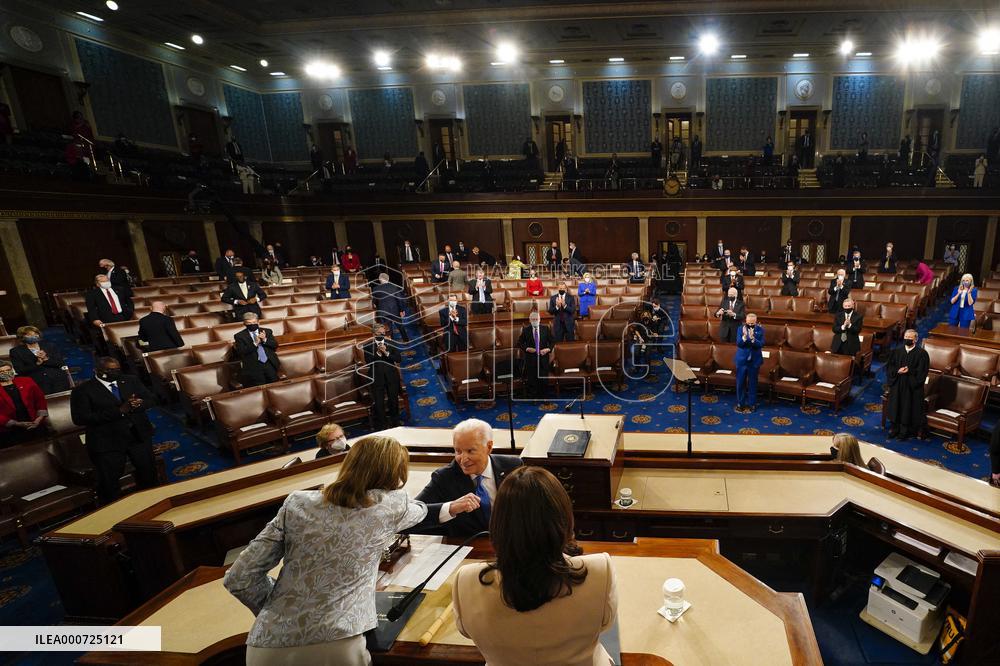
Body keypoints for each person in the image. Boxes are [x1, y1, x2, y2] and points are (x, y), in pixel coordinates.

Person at [225, 436, 427, 666]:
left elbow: (239, 578)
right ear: (395, 476)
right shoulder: (391, 505)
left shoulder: (297, 503)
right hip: (336, 645)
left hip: (266, 647)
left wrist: (279, 607)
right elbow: (419, 510)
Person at [452, 465, 617, 666]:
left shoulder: (465, 580)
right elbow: (606, 623)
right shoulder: (601, 570)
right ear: (564, 519)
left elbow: (465, 631)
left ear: (498, 522)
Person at [412, 419, 522, 537]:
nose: (463, 459)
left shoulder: (513, 467)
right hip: (471, 549)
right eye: (458, 451)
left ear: (489, 447)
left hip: (512, 542)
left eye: (470, 451)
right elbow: (410, 514)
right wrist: (450, 508)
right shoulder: (444, 477)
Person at [70, 357, 158, 503]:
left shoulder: (130, 380)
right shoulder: (83, 390)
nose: (115, 372)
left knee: (148, 474)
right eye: (110, 370)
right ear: (97, 371)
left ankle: (152, 502)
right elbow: (80, 418)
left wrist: (140, 403)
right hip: (108, 442)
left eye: (117, 369)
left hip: (137, 435)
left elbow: (151, 399)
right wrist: (119, 411)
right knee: (109, 483)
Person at [885, 329, 929, 440]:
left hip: (911, 387)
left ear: (916, 339)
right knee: (895, 406)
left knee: (907, 408)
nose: (907, 339)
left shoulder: (922, 354)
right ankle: (894, 429)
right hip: (898, 383)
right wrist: (897, 371)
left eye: (910, 337)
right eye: (906, 337)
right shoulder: (896, 352)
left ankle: (904, 432)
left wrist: (910, 371)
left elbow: (922, 372)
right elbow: (890, 367)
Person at [10, 327, 70, 395]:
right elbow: (20, 370)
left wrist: (46, 359)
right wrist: (37, 364)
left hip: (58, 381)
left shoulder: (49, 346)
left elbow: (60, 363)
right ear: (22, 337)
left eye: (36, 333)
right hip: (38, 384)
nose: (33, 336)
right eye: (29, 335)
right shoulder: (16, 351)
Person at [363, 324, 402, 429]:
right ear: (374, 334)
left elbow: (398, 359)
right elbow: (368, 362)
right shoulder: (367, 346)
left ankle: (395, 422)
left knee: (393, 400)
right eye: (380, 333)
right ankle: (383, 424)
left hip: (391, 376)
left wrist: (386, 352)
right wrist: (379, 353)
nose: (383, 335)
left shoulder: (391, 343)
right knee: (379, 402)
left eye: (384, 333)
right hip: (376, 377)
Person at [0, 361, 47, 446]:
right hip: (9, 430)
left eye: (8, 370)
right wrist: (16, 423)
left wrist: (39, 418)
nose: (5, 373)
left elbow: (40, 400)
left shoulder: (26, 381)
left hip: (34, 423)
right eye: (1, 372)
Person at [234, 313, 279, 387]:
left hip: (269, 363)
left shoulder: (267, 331)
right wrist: (255, 343)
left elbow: (275, 345)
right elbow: (241, 351)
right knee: (260, 387)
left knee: (274, 385)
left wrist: (264, 339)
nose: (252, 325)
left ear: (258, 322)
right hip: (254, 366)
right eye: (249, 323)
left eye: (254, 322)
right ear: (244, 323)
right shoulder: (239, 336)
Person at [519, 311, 553, 398]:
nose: (535, 321)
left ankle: (544, 396)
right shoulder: (526, 330)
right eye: (533, 319)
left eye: (536, 319)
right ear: (529, 320)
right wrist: (527, 348)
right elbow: (520, 343)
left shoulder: (545, 328)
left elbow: (552, 341)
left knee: (544, 379)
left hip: (543, 358)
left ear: (540, 319)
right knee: (532, 379)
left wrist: (548, 349)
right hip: (531, 359)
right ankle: (533, 397)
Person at [735, 313, 764, 413]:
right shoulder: (740, 329)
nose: (750, 325)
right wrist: (744, 338)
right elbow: (738, 343)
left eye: (752, 323)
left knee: (752, 383)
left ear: (756, 322)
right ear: (746, 321)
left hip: (754, 361)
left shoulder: (760, 330)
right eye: (748, 323)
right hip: (742, 361)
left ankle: (752, 404)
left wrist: (753, 339)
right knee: (740, 383)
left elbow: (761, 344)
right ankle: (740, 403)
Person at [372, 273, 407, 341]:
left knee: (387, 328)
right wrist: (402, 310)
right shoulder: (394, 287)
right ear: (388, 279)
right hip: (395, 310)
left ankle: (392, 341)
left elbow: (374, 302)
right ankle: (406, 340)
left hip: (382, 312)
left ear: (379, 279)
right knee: (400, 326)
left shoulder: (375, 289)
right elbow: (400, 299)